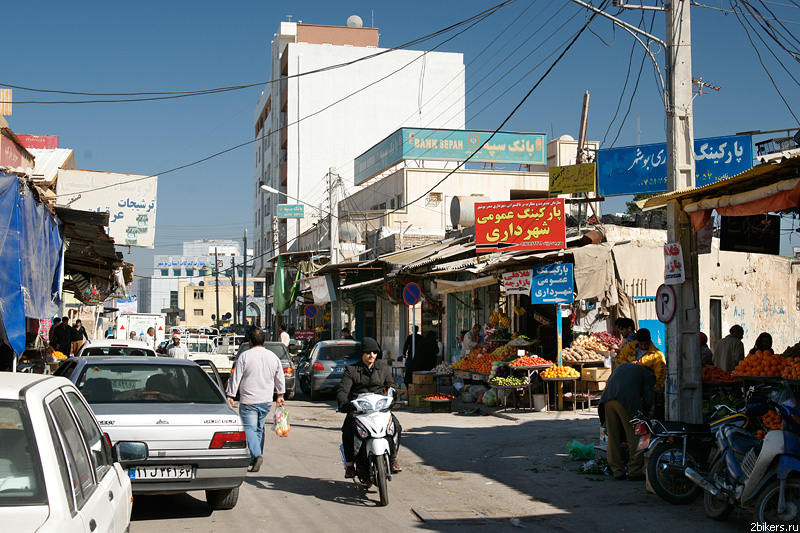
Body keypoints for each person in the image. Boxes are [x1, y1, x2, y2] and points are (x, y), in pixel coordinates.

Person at [338, 337, 401, 478]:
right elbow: (343, 390)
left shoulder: (383, 367)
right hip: (359, 410)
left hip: (379, 409)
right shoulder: (352, 370)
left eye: (374, 352)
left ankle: (393, 458)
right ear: (362, 353)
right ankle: (350, 465)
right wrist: (343, 403)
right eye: (368, 352)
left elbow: (391, 384)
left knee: (396, 426)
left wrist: (394, 393)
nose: (371, 355)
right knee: (347, 427)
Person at [226, 328, 285, 473]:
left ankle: (257, 455)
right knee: (259, 429)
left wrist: (230, 395)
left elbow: (236, 377)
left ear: (250, 341)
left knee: (249, 429)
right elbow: (280, 377)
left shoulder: (245, 356)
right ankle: (255, 456)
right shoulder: (273, 357)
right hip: (266, 401)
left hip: (249, 400)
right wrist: (280, 395)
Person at [599, 363, 656, 481]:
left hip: (607, 399)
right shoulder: (649, 375)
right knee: (635, 436)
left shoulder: (622, 366)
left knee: (613, 437)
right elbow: (648, 398)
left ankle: (617, 471)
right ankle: (634, 471)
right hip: (625, 400)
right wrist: (646, 417)